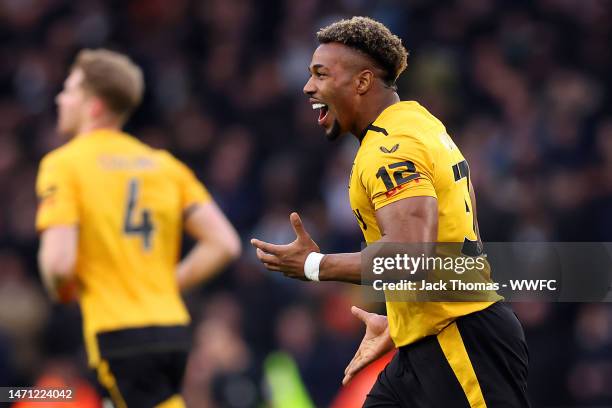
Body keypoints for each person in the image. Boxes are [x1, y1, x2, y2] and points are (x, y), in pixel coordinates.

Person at [251, 17, 529, 407]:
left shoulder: (391, 149)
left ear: (362, 82)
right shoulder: (419, 123)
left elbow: (411, 255)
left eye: (321, 74)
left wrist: (315, 265)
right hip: (424, 339)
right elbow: (454, 241)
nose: (308, 86)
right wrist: (402, 321)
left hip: (459, 343)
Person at [36, 49, 241, 408]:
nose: (60, 98)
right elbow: (224, 243)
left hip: (120, 335)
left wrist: (60, 287)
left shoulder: (64, 165)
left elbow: (58, 264)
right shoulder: (164, 166)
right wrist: (166, 284)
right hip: (173, 330)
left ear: (94, 106)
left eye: (70, 90)